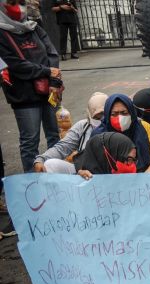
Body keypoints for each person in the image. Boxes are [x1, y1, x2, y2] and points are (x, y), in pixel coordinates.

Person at [0, 0, 61, 172]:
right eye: (12, 2)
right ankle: (31, 184)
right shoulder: (2, 33)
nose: (18, 7)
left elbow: (52, 54)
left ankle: (56, 175)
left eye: (21, 1)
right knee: (30, 142)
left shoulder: (35, 27)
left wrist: (54, 82)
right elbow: (14, 65)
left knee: (54, 136)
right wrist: (46, 71)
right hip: (24, 96)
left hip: (49, 91)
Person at [33, 92, 108, 173]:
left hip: (110, 172)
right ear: (89, 115)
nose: (102, 119)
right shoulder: (82, 126)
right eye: (97, 117)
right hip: (83, 170)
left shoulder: (117, 125)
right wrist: (41, 159)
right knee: (50, 164)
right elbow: (62, 147)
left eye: (104, 115)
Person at [92, 93, 150, 172]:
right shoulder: (98, 135)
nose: (120, 118)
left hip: (145, 175)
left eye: (124, 113)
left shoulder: (144, 127)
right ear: (107, 115)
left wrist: (146, 176)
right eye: (114, 114)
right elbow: (90, 162)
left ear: (132, 113)